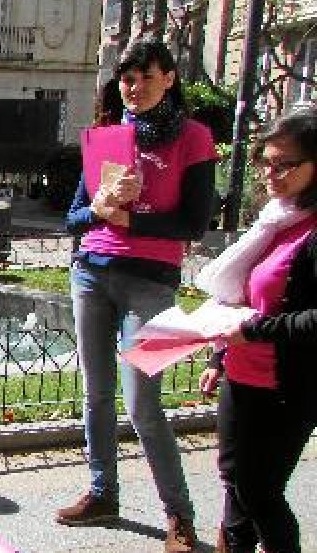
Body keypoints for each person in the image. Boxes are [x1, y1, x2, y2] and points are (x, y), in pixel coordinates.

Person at [59, 39, 215, 552]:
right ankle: (104, 492)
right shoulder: (106, 136)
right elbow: (74, 219)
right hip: (92, 273)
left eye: (146, 76)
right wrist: (99, 210)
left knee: (143, 403)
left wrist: (133, 217)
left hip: (155, 282)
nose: (135, 86)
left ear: (169, 78)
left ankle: (180, 516)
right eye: (128, 78)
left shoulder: (194, 138)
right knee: (96, 395)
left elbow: (194, 222)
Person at [195, 109, 317, 553]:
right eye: (266, 162)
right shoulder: (275, 218)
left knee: (259, 492)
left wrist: (255, 330)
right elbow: (244, 297)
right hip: (242, 371)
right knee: (235, 482)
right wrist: (220, 357)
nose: (272, 173)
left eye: (285, 164)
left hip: (286, 383)